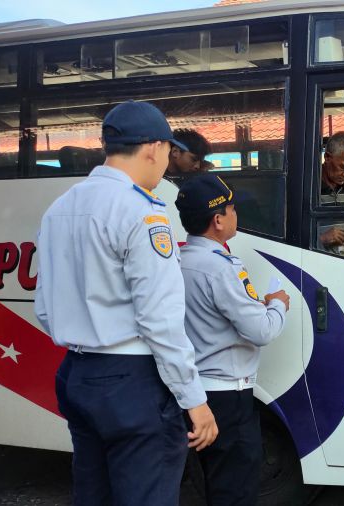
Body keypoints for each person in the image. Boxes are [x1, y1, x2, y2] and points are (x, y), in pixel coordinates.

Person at [34, 100, 218, 505]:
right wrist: (196, 402)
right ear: (152, 147)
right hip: (132, 381)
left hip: (76, 375)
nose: (168, 161)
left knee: (93, 493)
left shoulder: (60, 208)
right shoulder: (143, 214)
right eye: (169, 151)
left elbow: (44, 308)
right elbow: (161, 322)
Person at [175, 174, 290, 506]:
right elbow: (262, 331)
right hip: (228, 397)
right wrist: (278, 304)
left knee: (214, 483)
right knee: (235, 489)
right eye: (232, 208)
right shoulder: (221, 268)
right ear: (217, 219)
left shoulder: (179, 259)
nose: (235, 214)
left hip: (197, 393)